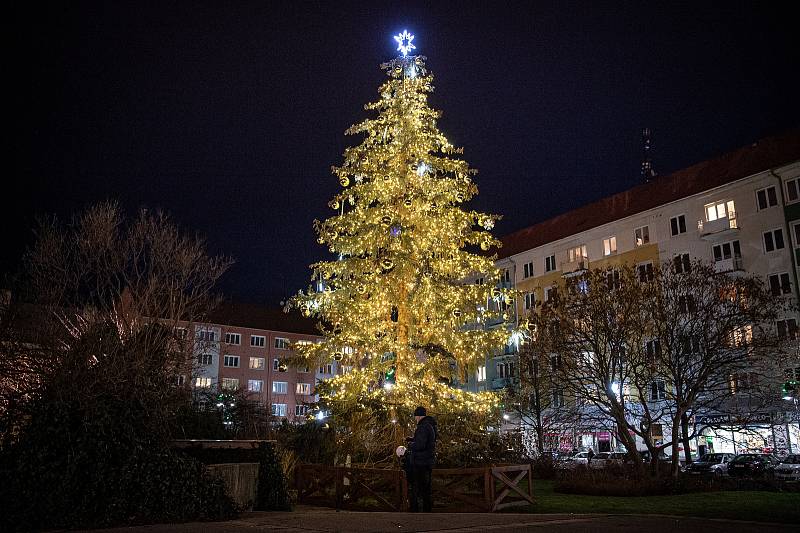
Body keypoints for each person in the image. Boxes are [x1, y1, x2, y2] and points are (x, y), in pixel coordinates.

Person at [406, 406, 437, 512]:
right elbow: (425, 441)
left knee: (419, 488)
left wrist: (410, 445)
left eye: (415, 417)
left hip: (421, 463)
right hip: (427, 461)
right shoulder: (429, 426)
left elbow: (421, 445)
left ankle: (420, 511)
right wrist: (413, 439)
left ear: (418, 416)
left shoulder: (423, 427)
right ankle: (426, 510)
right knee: (425, 488)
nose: (415, 419)